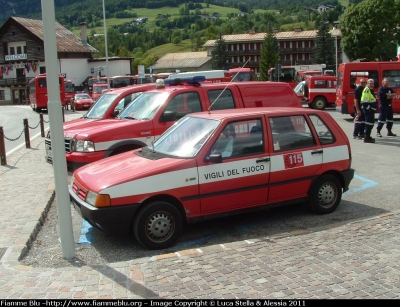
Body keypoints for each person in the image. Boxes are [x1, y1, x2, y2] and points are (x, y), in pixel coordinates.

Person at [360, 79, 377, 143]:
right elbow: (364, 102)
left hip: (370, 110)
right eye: (370, 83)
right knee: (369, 123)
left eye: (372, 83)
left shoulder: (370, 90)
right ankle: (366, 137)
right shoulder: (367, 90)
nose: (372, 84)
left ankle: (368, 136)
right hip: (368, 111)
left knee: (371, 123)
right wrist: (370, 109)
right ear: (367, 83)